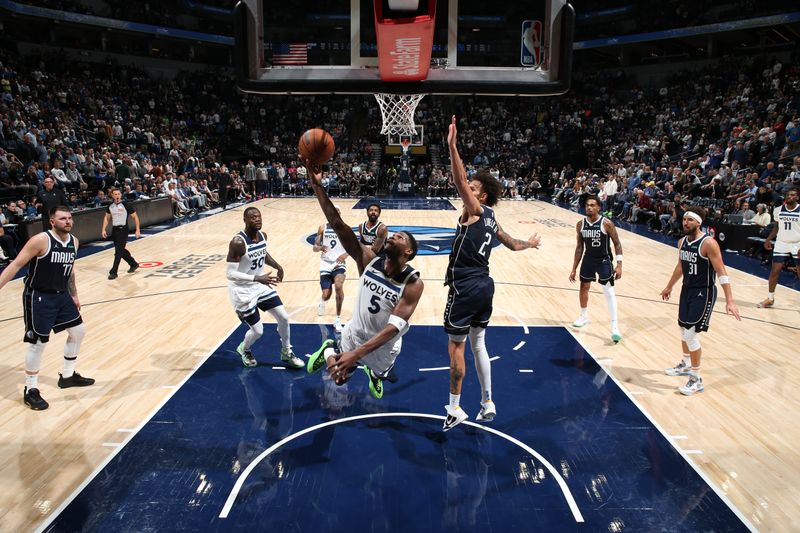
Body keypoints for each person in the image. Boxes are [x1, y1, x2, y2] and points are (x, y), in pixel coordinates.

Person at [443, 116, 541, 431]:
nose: (466, 191)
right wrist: (530, 243)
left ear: (480, 196)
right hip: (486, 287)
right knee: (479, 344)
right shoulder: (492, 218)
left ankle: (454, 407)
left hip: (466, 287)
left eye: (472, 189)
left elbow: (458, 181)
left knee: (456, 346)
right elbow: (510, 243)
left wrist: (452, 146)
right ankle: (487, 403)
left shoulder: (476, 211)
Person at [305, 165, 423, 399]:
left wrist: (358, 355)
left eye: (399, 237)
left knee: (380, 375)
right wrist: (317, 186)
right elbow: (338, 224)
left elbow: (392, 329)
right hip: (355, 335)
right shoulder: (367, 260)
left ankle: (373, 373)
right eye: (392, 235)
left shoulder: (412, 283)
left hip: (383, 347)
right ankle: (330, 347)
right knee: (338, 379)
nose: (391, 236)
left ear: (408, 251)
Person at [0, 206, 94, 410]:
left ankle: (67, 376)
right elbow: (15, 265)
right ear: (52, 221)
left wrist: (75, 294)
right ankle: (30, 389)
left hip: (62, 296)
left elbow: (69, 270)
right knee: (38, 344)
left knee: (78, 331)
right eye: (62, 218)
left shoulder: (74, 242)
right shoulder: (41, 240)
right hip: (39, 296)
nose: (68, 221)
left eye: (69, 218)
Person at [660, 206, 741, 395]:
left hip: (704, 293)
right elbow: (680, 267)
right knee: (682, 328)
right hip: (686, 289)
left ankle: (696, 380)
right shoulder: (682, 242)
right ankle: (686, 364)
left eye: (690, 220)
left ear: (698, 223)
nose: (685, 222)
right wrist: (669, 286)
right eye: (684, 219)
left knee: (690, 335)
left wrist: (730, 300)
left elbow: (721, 271)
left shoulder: (709, 244)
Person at [226, 207, 304, 369]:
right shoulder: (238, 242)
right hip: (242, 291)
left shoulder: (263, 235)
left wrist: (278, 266)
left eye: (259, 216)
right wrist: (257, 277)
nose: (258, 219)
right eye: (253, 217)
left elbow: (263, 253)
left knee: (284, 317)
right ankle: (244, 348)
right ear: (245, 220)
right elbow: (230, 273)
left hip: (260, 285)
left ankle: (286, 351)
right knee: (258, 331)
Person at [569, 195, 624, 342]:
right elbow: (579, 247)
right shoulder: (580, 224)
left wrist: (619, 265)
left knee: (609, 292)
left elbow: (617, 244)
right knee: (583, 287)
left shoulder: (606, 223)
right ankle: (583, 316)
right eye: (587, 205)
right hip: (588, 258)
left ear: (599, 207)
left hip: (604, 260)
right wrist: (574, 268)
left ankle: (614, 326)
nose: (589, 207)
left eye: (593, 205)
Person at [758, 188, 799, 308]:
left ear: (797, 197)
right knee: (775, 270)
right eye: (788, 194)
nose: (789, 196)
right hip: (782, 242)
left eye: (792, 194)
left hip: (797, 243)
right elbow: (777, 226)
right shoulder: (778, 210)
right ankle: (770, 298)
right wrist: (768, 239)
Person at [314, 209, 348, 329]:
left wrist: (344, 255)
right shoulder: (322, 227)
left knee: (339, 286)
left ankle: (338, 318)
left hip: (339, 263)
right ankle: (323, 302)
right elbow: (315, 247)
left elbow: (351, 246)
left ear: (340, 214)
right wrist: (319, 247)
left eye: (337, 212)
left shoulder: (345, 228)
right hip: (325, 263)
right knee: (327, 294)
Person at [101, 188, 140, 280]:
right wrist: (103, 229)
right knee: (121, 250)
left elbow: (135, 217)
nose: (117, 196)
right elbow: (107, 218)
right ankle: (133, 264)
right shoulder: (110, 206)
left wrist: (137, 230)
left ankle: (113, 272)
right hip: (115, 230)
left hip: (123, 229)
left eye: (119, 194)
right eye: (115, 194)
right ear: (112, 195)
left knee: (118, 252)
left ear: (121, 195)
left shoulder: (126, 204)